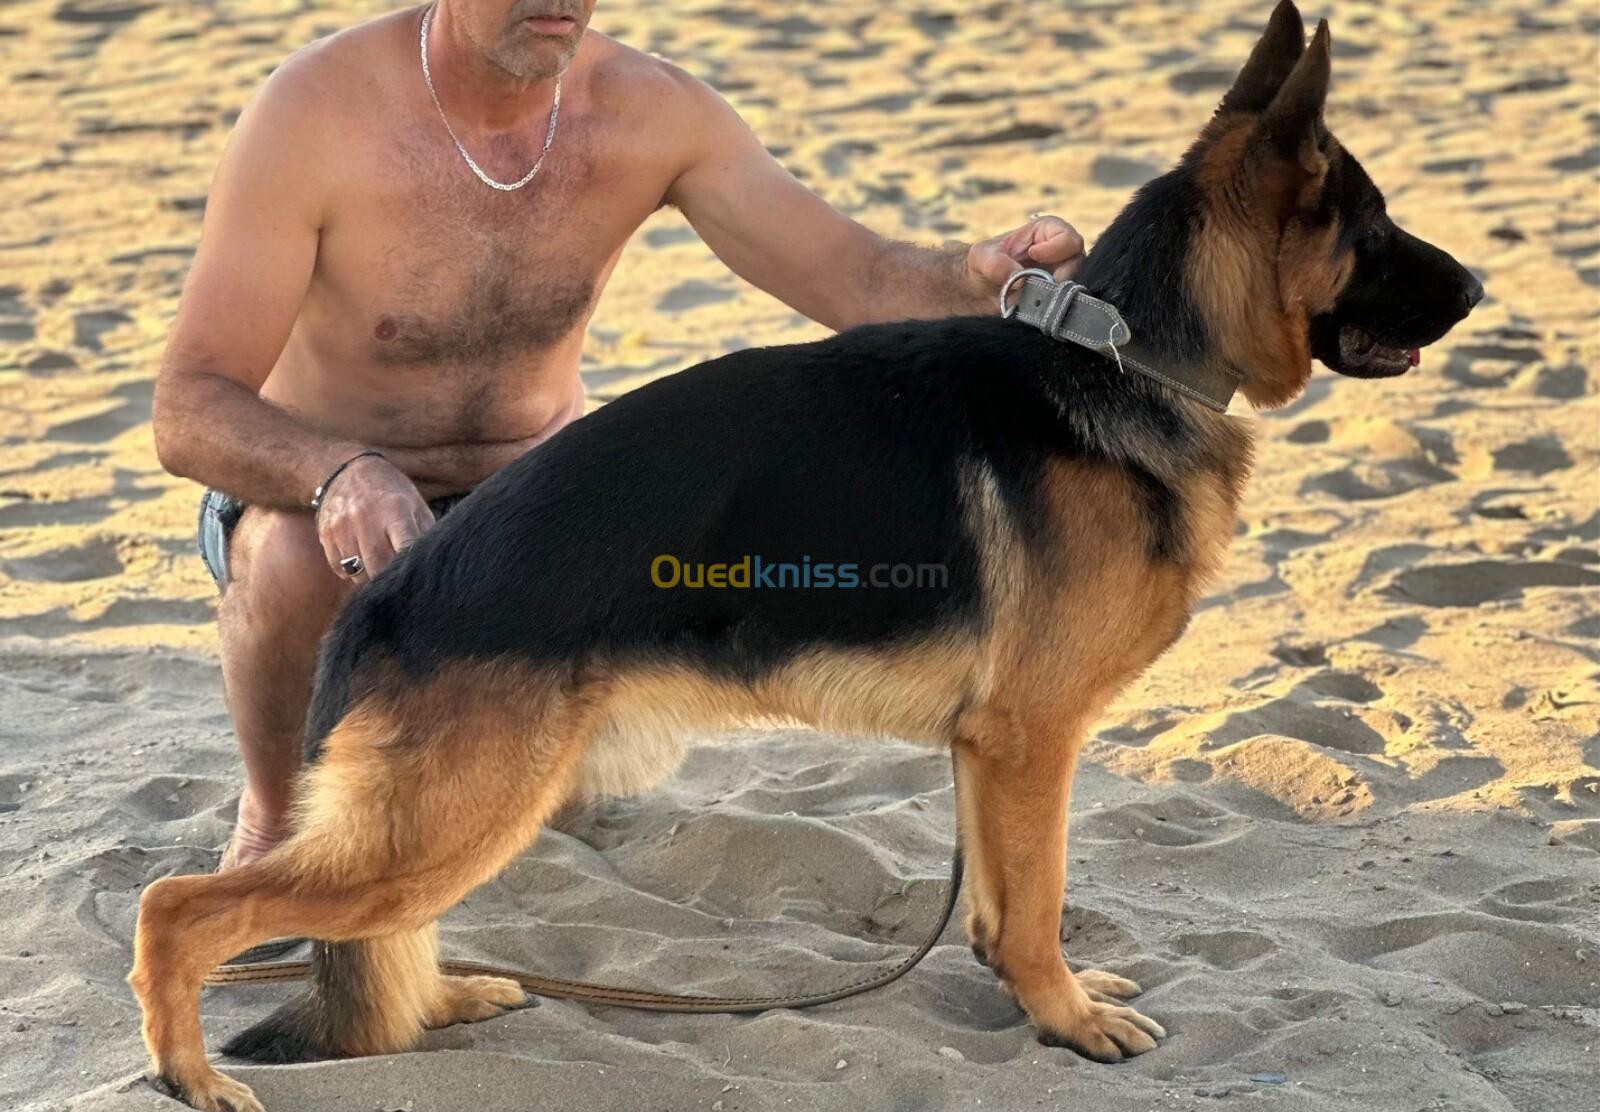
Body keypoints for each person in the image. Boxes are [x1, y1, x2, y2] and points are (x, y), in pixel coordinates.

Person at [154, 0, 1086, 870]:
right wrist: (339, 472)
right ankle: (272, 821)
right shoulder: (315, 114)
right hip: (323, 494)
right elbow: (188, 404)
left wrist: (977, 277)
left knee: (538, 806)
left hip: (529, 503)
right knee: (290, 560)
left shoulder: (651, 111)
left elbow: (860, 279)